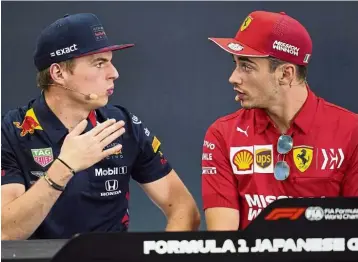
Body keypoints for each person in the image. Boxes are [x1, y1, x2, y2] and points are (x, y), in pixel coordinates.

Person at [1, 13, 200, 240]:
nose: (114, 73)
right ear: (59, 73)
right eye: (99, 63)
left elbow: (185, 209)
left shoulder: (121, 125)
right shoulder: (11, 133)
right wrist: (64, 167)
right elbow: (5, 232)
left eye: (110, 61)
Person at [201, 10, 358, 231]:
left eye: (246, 66)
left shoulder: (352, 131)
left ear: (286, 74)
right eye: (235, 64)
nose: (233, 77)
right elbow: (223, 242)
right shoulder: (222, 135)